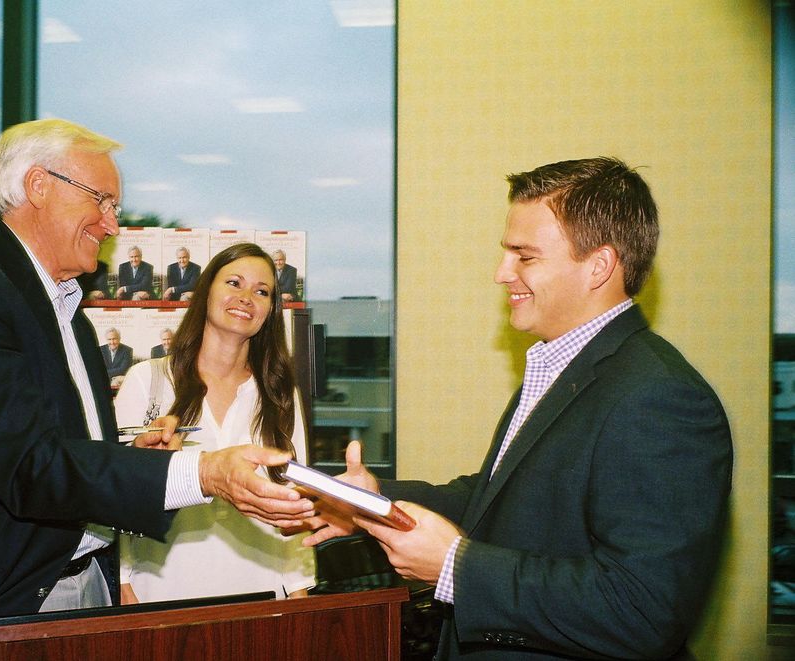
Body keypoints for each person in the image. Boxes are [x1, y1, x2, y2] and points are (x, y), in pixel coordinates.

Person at [0, 118, 312, 661]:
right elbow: (26, 465)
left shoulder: (71, 314)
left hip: (78, 593)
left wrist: (131, 457)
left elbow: (59, 451)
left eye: (114, 208)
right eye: (102, 200)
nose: (110, 223)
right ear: (38, 186)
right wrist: (206, 471)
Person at [305, 157, 733, 659]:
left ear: (599, 266)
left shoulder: (660, 398)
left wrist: (456, 569)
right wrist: (373, 502)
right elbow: (495, 504)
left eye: (524, 256)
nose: (500, 273)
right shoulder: (561, 367)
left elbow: (641, 610)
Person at [115, 242, 314, 603]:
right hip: (162, 590)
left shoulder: (279, 393)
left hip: (262, 592)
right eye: (234, 283)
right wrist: (122, 580)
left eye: (262, 291)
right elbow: (112, 491)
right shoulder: (148, 380)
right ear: (206, 292)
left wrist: (299, 587)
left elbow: (294, 500)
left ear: (271, 310)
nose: (246, 298)